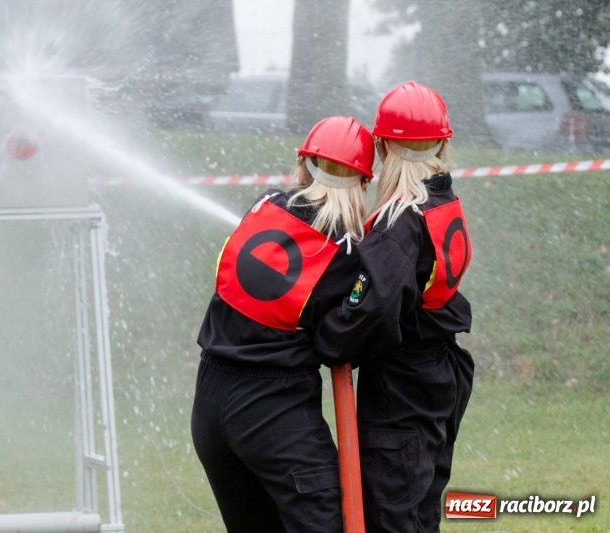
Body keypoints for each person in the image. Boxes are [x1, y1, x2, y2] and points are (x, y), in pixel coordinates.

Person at [191, 116, 375, 533]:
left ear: (305, 164)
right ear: (363, 183)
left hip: (209, 402)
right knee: (326, 521)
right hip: (272, 409)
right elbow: (346, 336)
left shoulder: (267, 204)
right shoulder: (346, 252)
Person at [314, 81, 475, 532]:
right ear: (444, 143)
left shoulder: (399, 224)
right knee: (420, 509)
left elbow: (372, 309)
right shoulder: (442, 201)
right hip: (442, 375)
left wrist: (323, 336)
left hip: (402, 392)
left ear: (382, 147)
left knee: (391, 515)